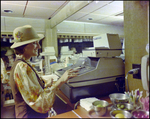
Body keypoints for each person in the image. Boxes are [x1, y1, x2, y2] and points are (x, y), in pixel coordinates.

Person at [9, 25, 79, 118]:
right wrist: (60, 81)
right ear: (24, 47)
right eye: (35, 43)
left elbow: (33, 91)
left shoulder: (22, 63)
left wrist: (46, 84)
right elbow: (40, 104)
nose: (38, 46)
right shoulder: (22, 67)